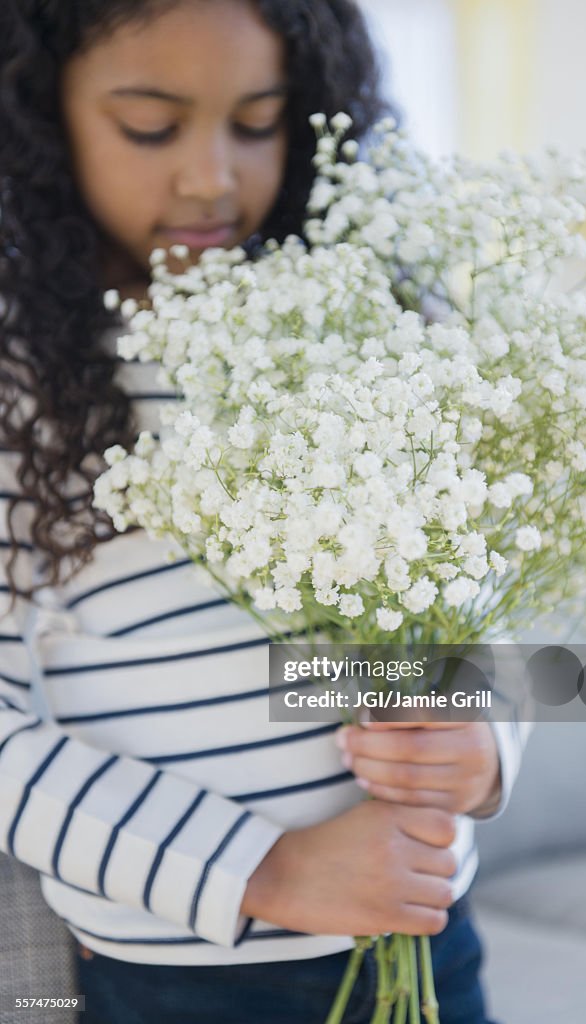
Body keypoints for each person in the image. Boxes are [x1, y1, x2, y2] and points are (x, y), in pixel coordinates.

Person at [0, 2, 526, 1021]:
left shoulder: (370, 323)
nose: (212, 176)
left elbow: (476, 607)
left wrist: (484, 736)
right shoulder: (21, 385)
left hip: (424, 944)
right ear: (38, 119)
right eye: (151, 126)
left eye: (258, 121)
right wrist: (267, 869)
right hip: (179, 977)